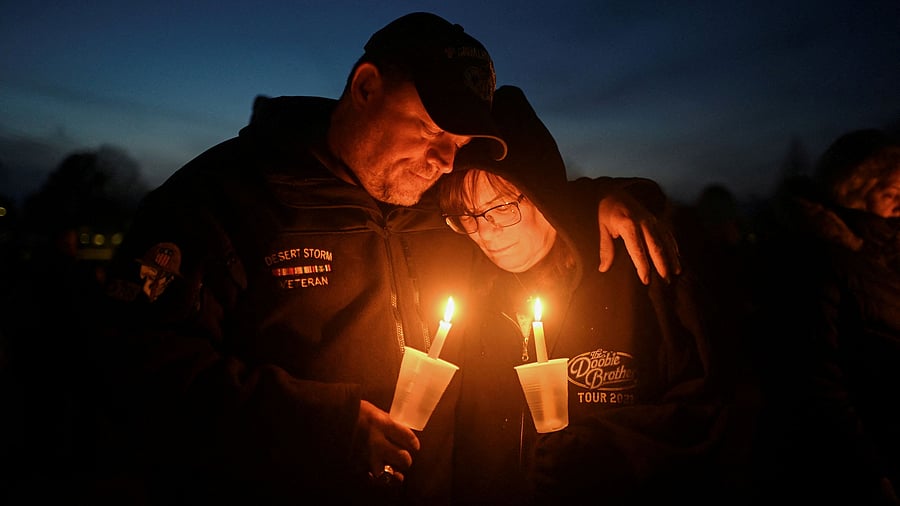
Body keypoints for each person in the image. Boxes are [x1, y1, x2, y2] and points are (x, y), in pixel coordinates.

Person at [90, 12, 679, 506]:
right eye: (429, 130)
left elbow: (527, 201)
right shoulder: (226, 199)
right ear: (366, 86)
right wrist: (325, 426)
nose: (443, 163)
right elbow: (131, 363)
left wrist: (594, 202)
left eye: (457, 146)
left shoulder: (438, 209)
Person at [440, 86, 737, 506]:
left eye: (502, 207)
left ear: (542, 192)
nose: (485, 233)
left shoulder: (637, 272)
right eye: (467, 217)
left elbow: (713, 411)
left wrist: (607, 452)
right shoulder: (470, 289)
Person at [751, 128, 900, 505]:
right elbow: (816, 377)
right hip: (852, 464)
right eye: (890, 194)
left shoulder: (882, 257)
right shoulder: (819, 262)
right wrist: (872, 469)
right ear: (854, 190)